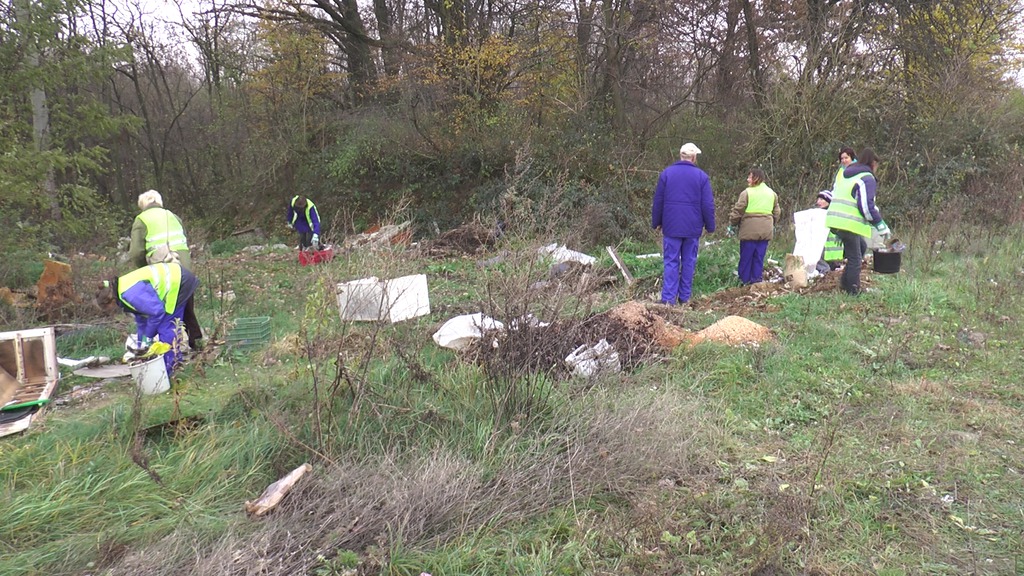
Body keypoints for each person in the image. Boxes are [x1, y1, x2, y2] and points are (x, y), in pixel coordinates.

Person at [128, 190, 203, 350]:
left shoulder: (141, 220)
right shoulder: (173, 216)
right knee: (185, 303)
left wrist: (144, 271)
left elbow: (135, 252)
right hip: (184, 268)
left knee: (167, 310)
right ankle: (195, 341)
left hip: (163, 270)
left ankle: (169, 350)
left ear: (142, 206)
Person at [97, 262, 199, 376]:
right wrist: (141, 345)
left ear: (110, 302)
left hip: (178, 282)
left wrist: (148, 337)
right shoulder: (121, 292)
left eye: (107, 309)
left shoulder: (130, 295)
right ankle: (177, 359)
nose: (110, 312)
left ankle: (171, 369)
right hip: (177, 276)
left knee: (166, 327)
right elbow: (142, 321)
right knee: (163, 326)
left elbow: (157, 313)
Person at [651, 142, 716, 305]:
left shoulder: (666, 174)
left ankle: (668, 299)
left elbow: (658, 201)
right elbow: (707, 204)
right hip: (692, 227)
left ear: (681, 155)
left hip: (671, 226)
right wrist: (710, 225)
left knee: (671, 261)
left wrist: (656, 222)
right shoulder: (702, 177)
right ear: (693, 157)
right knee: (689, 261)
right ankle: (685, 298)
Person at [825, 147, 891, 295]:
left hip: (834, 219)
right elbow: (866, 206)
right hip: (847, 222)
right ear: (873, 163)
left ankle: (844, 282)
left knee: (860, 247)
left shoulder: (847, 174)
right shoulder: (867, 177)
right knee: (856, 258)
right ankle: (853, 290)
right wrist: (880, 225)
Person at [728, 167, 780, 285]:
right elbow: (777, 212)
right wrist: (772, 223)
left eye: (750, 177)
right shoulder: (772, 193)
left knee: (746, 258)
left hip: (749, 230)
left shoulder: (747, 193)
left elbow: (738, 210)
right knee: (759, 258)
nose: (748, 180)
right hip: (766, 230)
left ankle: (743, 282)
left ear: (756, 178)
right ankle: (756, 282)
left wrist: (733, 223)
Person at [814, 190, 845, 274]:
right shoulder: (818, 214)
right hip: (832, 254)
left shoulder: (827, 216)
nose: (818, 202)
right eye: (818, 199)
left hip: (828, 251)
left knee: (826, 270)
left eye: (821, 199)